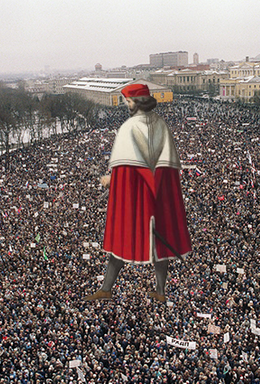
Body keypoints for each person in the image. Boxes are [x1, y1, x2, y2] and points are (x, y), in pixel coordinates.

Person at [84, 83, 192, 303]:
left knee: (121, 241)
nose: (126, 105)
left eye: (128, 101)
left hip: (137, 199)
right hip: (161, 196)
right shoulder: (161, 124)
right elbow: (163, 167)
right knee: (159, 246)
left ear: (136, 103)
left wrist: (109, 181)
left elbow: (129, 171)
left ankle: (106, 289)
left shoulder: (129, 127)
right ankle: (160, 292)